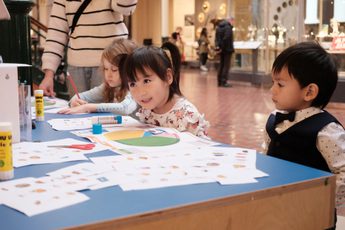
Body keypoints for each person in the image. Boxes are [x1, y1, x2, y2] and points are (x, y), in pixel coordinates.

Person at [263, 42, 345, 229]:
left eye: (280, 84)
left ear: (309, 92)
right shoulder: (274, 120)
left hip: (313, 216)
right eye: (273, 82)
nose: (272, 90)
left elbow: (343, 172)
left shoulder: (326, 131)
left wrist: (323, 200)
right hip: (278, 209)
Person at [39, 0, 138, 97]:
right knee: (77, 109)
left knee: (111, 111)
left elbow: (126, 8)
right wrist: (49, 75)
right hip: (76, 65)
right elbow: (56, 33)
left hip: (111, 64)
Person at [123, 42, 210, 138]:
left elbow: (203, 148)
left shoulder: (187, 115)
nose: (140, 92)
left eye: (146, 81)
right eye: (133, 84)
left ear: (168, 77)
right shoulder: (147, 110)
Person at [58, 39, 138, 115]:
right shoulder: (107, 87)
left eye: (114, 70)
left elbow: (125, 108)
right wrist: (74, 101)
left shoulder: (135, 87)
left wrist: (87, 107)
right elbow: (83, 96)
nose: (108, 74)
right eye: (106, 69)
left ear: (128, 69)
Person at [215, 17, 234, 87]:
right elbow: (227, 38)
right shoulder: (228, 28)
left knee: (221, 65)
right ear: (230, 21)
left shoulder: (218, 28)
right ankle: (224, 81)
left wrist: (219, 47)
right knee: (226, 65)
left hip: (221, 49)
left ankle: (219, 81)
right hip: (227, 49)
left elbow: (216, 39)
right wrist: (223, 47)